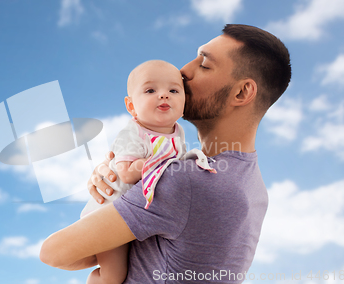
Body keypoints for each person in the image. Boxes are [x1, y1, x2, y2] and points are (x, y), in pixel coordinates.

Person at [40, 24, 291, 283]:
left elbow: (53, 253)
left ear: (241, 92)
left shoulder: (184, 181)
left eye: (204, 64)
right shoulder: (253, 186)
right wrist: (120, 182)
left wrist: (109, 208)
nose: (184, 70)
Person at [80, 59, 215, 284]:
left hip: (137, 215)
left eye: (173, 90)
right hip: (108, 213)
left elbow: (177, 162)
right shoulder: (132, 133)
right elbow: (125, 173)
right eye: (150, 90)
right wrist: (153, 164)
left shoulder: (177, 132)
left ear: (184, 102)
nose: (163, 95)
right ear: (131, 106)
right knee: (113, 276)